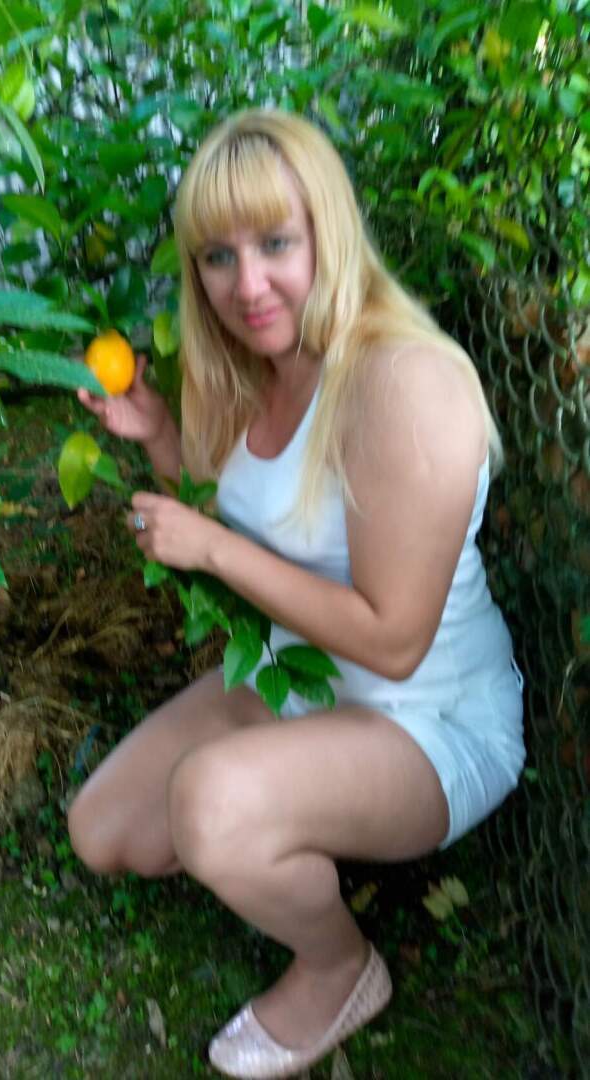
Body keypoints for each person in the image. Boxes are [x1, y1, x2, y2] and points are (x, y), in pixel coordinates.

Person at [67, 109, 525, 1079]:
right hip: (301, 678)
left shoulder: (404, 382)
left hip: (429, 717)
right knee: (104, 832)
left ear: (329, 230)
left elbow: (394, 640)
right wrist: (157, 433)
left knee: (212, 807)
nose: (247, 284)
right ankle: (294, 815)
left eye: (276, 243)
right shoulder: (247, 368)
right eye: (218, 256)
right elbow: (236, 502)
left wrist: (212, 554)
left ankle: (339, 966)